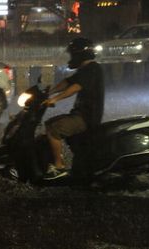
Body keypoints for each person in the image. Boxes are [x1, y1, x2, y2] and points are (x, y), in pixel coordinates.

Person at [42, 37, 105, 180]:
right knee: (49, 123)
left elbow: (76, 87)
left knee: (54, 129)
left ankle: (59, 167)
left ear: (80, 54)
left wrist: (55, 99)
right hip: (79, 115)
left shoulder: (93, 69)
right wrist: (48, 92)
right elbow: (68, 82)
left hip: (86, 118)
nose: (71, 57)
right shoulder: (85, 69)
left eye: (72, 54)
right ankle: (58, 159)